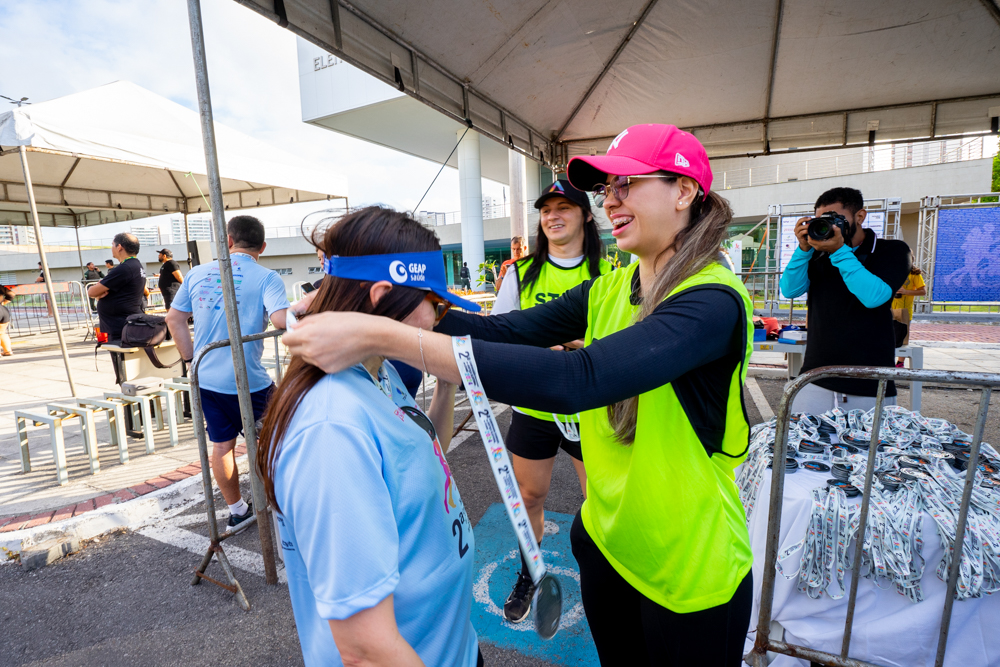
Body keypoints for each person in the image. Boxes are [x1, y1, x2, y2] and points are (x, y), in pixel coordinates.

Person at [283, 124, 756, 665]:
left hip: (688, 564)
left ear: (684, 191)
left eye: (626, 182)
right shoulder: (611, 287)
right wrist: (394, 304)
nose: (611, 199)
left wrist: (381, 334)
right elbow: (505, 331)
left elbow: (579, 379)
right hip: (608, 546)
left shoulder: (712, 300)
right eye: (607, 188)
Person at [257, 207, 482, 667]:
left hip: (449, 645)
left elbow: (425, 452)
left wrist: (446, 381)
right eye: (434, 305)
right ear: (382, 298)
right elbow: (366, 649)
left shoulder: (375, 369)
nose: (439, 321)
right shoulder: (331, 426)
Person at [491, 179, 611, 623]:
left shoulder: (610, 273)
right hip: (534, 407)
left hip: (591, 408)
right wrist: (542, 353)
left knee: (600, 498)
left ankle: (609, 576)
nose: (553, 216)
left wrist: (586, 349)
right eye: (546, 209)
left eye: (564, 207)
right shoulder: (520, 273)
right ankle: (530, 573)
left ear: (584, 215)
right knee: (528, 496)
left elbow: (626, 338)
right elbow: (501, 335)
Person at [165, 215, 288, 532]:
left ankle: (237, 510)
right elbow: (281, 320)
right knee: (279, 442)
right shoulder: (267, 277)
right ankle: (286, 503)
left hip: (205, 378)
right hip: (249, 381)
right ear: (262, 246)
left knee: (222, 445)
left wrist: (191, 360)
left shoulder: (196, 273)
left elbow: (174, 319)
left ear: (228, 241)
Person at [779, 187, 911, 412]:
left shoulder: (892, 250)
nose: (828, 226)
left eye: (835, 219)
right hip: (815, 376)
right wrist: (803, 250)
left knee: (866, 447)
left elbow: (874, 297)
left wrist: (839, 252)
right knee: (801, 445)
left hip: (870, 382)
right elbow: (790, 290)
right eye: (821, 220)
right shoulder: (818, 253)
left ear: (859, 216)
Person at [87, 234, 146, 342]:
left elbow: (91, 292)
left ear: (119, 247)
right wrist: (100, 295)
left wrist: (99, 293)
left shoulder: (125, 268)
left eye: (112, 245)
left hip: (120, 326)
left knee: (122, 358)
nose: (111, 248)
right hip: (124, 323)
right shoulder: (135, 265)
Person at [892, 264, 926, 366]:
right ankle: (887, 361)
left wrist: (906, 291)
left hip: (904, 311)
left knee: (902, 339)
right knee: (887, 337)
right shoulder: (890, 269)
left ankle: (900, 362)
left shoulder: (914, 273)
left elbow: (923, 291)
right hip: (888, 309)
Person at [0, 286, 13, 357]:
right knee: (2, 333)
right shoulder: (1, 287)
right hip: (4, 310)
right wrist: (3, 302)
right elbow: (11, 294)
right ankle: (7, 351)